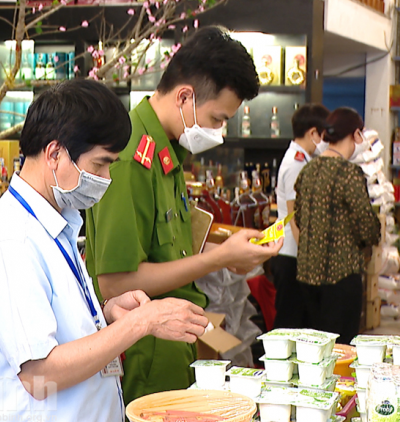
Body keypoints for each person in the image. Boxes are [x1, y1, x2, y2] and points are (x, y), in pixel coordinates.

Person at [0, 80, 210, 422]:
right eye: (99, 165)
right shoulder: (10, 243)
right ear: (54, 154)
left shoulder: (55, 223)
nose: (107, 178)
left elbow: (55, 329)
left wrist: (106, 315)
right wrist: (141, 322)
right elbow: (39, 373)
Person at [85, 26, 283, 405]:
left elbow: (173, 247)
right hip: (145, 355)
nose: (219, 132)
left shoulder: (167, 152)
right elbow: (116, 282)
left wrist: (229, 250)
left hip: (176, 343)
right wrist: (219, 258)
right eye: (217, 118)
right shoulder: (128, 157)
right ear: (185, 96)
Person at [293, 107, 381, 343]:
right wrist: (372, 237)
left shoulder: (308, 169)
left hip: (307, 274)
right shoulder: (349, 173)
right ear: (355, 135)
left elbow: (299, 217)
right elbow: (365, 225)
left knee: (315, 350)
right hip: (341, 276)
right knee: (341, 349)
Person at [272, 104, 330, 329]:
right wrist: (309, 259)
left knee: (299, 320)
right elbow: (297, 215)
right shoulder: (296, 163)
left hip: (294, 252)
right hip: (292, 255)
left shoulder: (303, 159)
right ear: (313, 133)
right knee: (290, 322)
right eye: (324, 135)